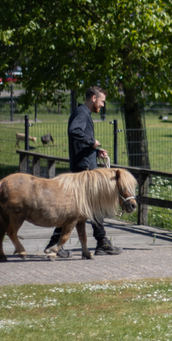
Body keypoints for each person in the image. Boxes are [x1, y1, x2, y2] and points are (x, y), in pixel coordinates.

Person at [46, 86, 123, 258]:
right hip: (84, 170)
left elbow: (79, 141)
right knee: (87, 207)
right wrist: (91, 141)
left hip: (84, 166)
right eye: (102, 101)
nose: (103, 105)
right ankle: (100, 243)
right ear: (94, 98)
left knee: (86, 207)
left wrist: (95, 150)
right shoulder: (82, 113)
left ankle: (98, 242)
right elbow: (74, 131)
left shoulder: (82, 113)